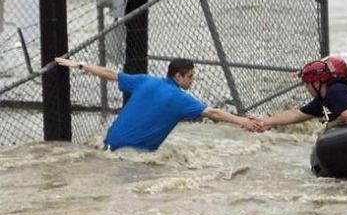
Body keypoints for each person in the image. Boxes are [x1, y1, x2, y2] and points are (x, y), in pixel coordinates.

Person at [54, 56, 263, 150]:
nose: (193, 80)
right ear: (179, 76)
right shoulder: (181, 99)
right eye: (190, 76)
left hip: (109, 143)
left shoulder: (145, 80)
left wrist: (81, 64)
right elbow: (214, 113)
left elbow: (110, 74)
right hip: (133, 154)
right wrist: (244, 121)